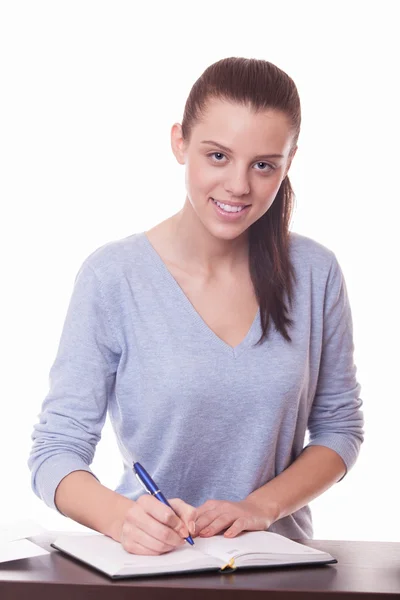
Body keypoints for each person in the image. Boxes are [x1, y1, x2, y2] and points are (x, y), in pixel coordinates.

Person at [28, 56, 364, 556]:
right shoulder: (114, 277)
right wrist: (124, 520)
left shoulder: (316, 273)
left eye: (263, 165)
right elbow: (54, 452)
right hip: (150, 568)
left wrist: (260, 508)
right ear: (179, 143)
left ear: (288, 163)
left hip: (278, 569)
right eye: (218, 156)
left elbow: (340, 429)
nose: (238, 186)